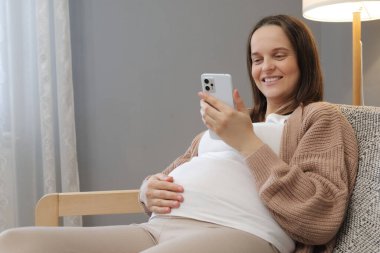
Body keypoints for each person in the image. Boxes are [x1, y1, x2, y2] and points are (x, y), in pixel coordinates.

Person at [0, 14, 358, 253]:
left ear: (304, 61)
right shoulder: (235, 119)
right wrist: (148, 190)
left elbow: (319, 218)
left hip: (239, 232)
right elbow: (174, 173)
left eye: (279, 55)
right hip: (159, 229)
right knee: (14, 243)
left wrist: (246, 141)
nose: (265, 68)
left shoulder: (319, 118)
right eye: (257, 58)